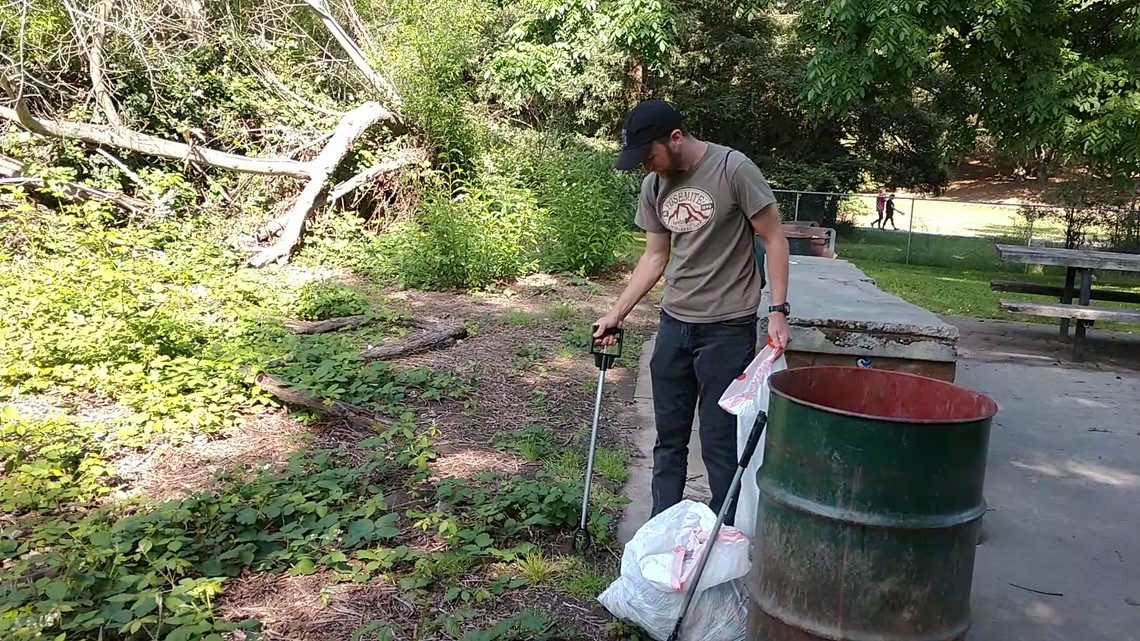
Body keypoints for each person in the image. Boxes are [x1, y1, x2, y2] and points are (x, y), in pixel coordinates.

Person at [591, 99, 790, 526]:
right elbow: (654, 257)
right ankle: (659, 536)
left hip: (727, 329)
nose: (647, 168)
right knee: (669, 442)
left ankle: (723, 544)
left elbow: (775, 238)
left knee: (720, 444)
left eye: (650, 156)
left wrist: (777, 310)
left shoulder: (734, 170)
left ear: (676, 138)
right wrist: (617, 313)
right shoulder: (655, 185)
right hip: (674, 326)